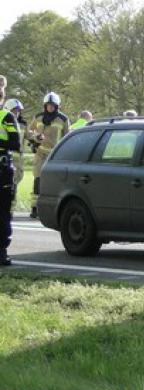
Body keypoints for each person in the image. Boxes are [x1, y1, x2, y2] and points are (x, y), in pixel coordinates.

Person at [27, 92, 69, 218]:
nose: (50, 107)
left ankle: (52, 209)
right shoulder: (39, 117)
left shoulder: (63, 119)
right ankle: (35, 208)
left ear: (57, 106)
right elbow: (29, 131)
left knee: (53, 182)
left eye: (52, 105)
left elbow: (67, 136)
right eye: (48, 105)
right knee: (38, 179)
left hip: (54, 155)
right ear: (45, 105)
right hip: (40, 153)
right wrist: (35, 138)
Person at [0, 95, 22, 265]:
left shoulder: (7, 117)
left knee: (2, 211)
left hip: (2, 169)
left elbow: (15, 144)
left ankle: (1, 251)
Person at [3, 99, 27, 202]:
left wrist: (37, 137)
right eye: (14, 111)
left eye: (18, 111)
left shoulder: (22, 124)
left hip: (19, 160)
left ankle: (11, 207)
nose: (16, 113)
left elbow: (29, 135)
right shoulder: (4, 121)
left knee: (16, 182)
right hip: (7, 157)